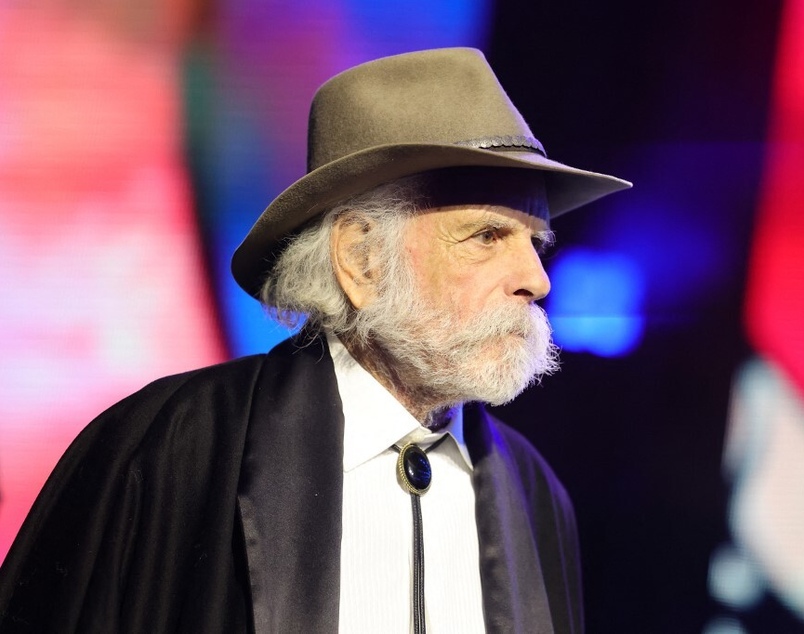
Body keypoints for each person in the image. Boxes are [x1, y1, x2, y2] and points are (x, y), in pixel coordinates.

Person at [0, 47, 629, 632]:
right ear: (360, 259)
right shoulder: (169, 449)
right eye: (487, 236)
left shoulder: (535, 493)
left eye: (536, 243)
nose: (537, 280)